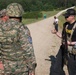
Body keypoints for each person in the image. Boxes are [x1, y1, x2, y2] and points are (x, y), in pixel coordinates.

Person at [0, 3, 37, 75]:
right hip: (21, 69)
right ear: (20, 14)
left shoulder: (1, 28)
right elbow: (28, 50)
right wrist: (32, 68)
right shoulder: (22, 28)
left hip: (4, 68)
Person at [51, 8, 76, 75]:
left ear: (72, 16)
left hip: (72, 51)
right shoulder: (65, 25)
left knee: (72, 70)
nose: (65, 17)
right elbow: (63, 36)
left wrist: (70, 43)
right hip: (63, 48)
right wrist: (56, 32)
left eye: (67, 16)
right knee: (56, 67)